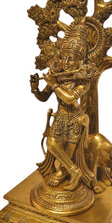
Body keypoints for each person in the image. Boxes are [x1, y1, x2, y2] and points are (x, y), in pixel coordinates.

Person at [30, 23, 100, 192]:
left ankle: (67, 172)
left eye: (71, 59)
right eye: (64, 58)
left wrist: (54, 85)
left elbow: (69, 99)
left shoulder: (82, 81)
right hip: (60, 117)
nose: (66, 63)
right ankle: (74, 171)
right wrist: (35, 89)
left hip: (75, 119)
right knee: (51, 143)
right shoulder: (58, 76)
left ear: (80, 61)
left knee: (67, 155)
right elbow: (44, 97)